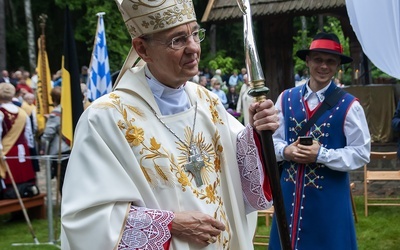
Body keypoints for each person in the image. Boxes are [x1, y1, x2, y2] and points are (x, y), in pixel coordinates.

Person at [60, 1, 279, 249]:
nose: (193, 48)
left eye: (196, 34)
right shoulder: (106, 119)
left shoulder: (209, 103)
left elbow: (241, 178)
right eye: (178, 40)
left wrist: (259, 134)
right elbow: (87, 219)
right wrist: (168, 224)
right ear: (142, 49)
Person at [270, 32, 371, 250]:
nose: (323, 66)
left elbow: (362, 153)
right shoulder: (285, 98)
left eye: (330, 61)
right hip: (288, 197)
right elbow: (272, 142)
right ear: (307, 61)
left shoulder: (350, 106)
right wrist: (286, 151)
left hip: (329, 201)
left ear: (337, 66)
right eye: (318, 59)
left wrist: (322, 154)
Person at [0, 83, 36, 198]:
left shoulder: (1, 113)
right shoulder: (22, 112)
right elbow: (29, 135)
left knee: (10, 183)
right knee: (23, 180)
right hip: (23, 150)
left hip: (7, 151)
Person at [40, 87, 70, 194]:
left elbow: (48, 134)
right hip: (72, 149)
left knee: (63, 182)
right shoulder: (71, 109)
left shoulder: (56, 113)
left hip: (61, 151)